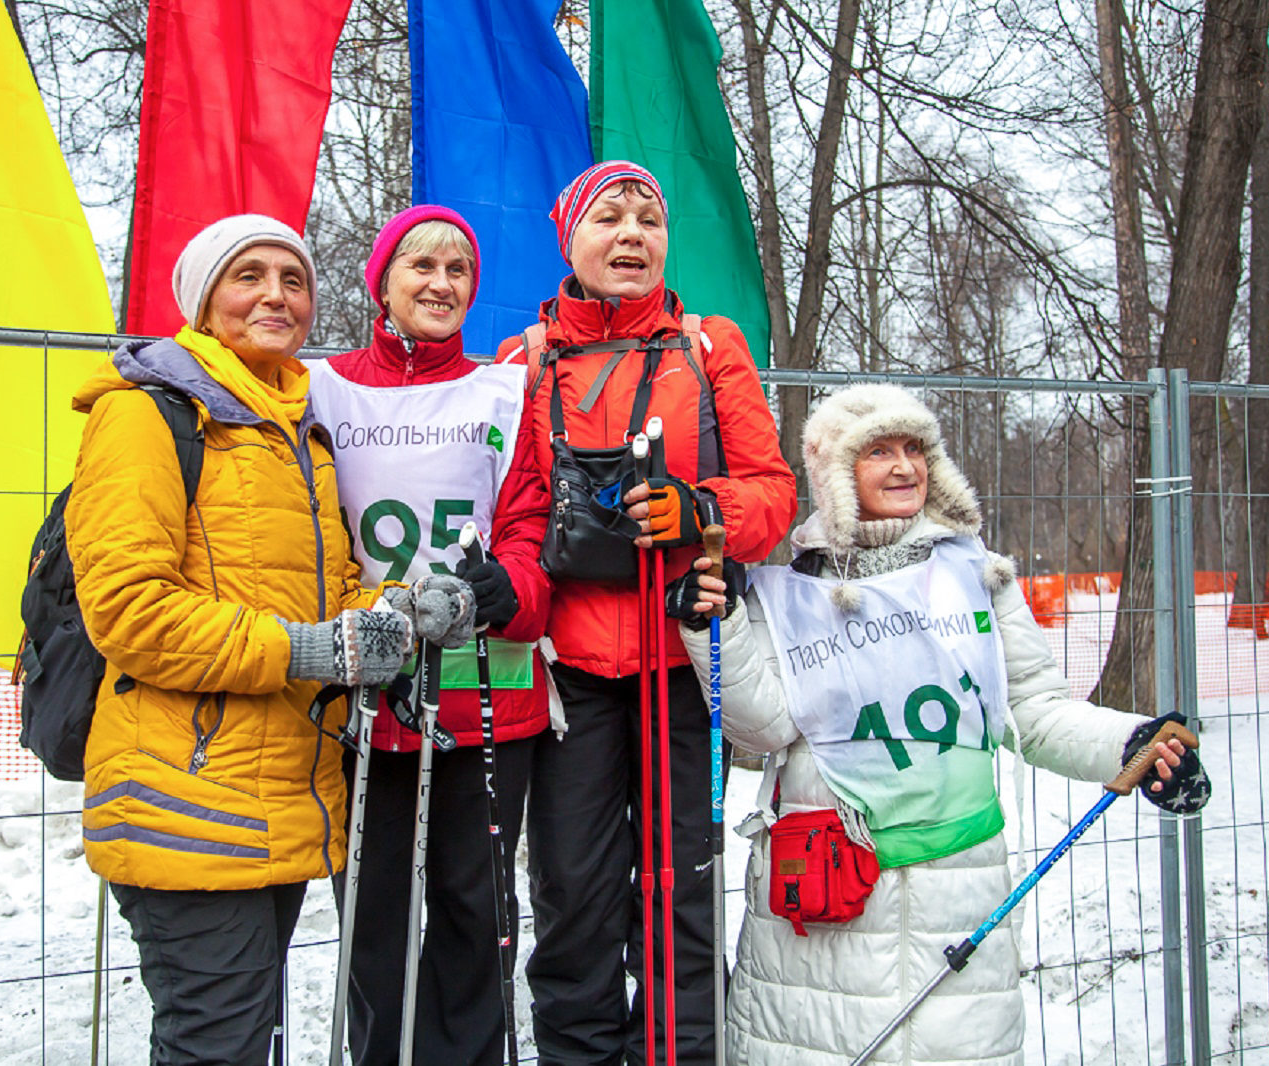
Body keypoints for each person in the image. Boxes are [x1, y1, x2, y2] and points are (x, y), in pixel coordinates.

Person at [672, 382, 1212, 1065]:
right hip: (822, 916)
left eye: (915, 449)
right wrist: (711, 626)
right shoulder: (791, 591)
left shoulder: (976, 576)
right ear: (836, 471)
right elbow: (762, 727)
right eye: (879, 452)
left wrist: (1131, 745)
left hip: (955, 902)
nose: (905, 467)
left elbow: (1035, 711)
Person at [64, 213, 476, 1066]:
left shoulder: (294, 431)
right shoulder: (146, 418)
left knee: (252, 1038)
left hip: (278, 796)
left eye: (293, 280)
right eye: (247, 276)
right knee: (219, 1044)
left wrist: (411, 604)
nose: (275, 296)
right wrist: (308, 652)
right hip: (184, 792)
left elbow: (333, 596)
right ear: (202, 299)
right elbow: (130, 609)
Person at [496, 161, 797, 1065]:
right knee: (573, 899)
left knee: (681, 895)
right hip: (568, 683)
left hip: (682, 670)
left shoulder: (711, 347)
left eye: (648, 220)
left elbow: (772, 495)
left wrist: (702, 513)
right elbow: (507, 514)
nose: (631, 235)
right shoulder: (522, 363)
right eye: (609, 218)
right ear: (570, 240)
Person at [310, 205, 552, 1065]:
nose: (440, 283)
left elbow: (527, 522)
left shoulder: (502, 390)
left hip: (485, 689)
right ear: (383, 283)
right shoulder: (324, 387)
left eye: (459, 270)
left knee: (475, 911)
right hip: (366, 693)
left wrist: (509, 584)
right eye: (421, 265)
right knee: (373, 917)